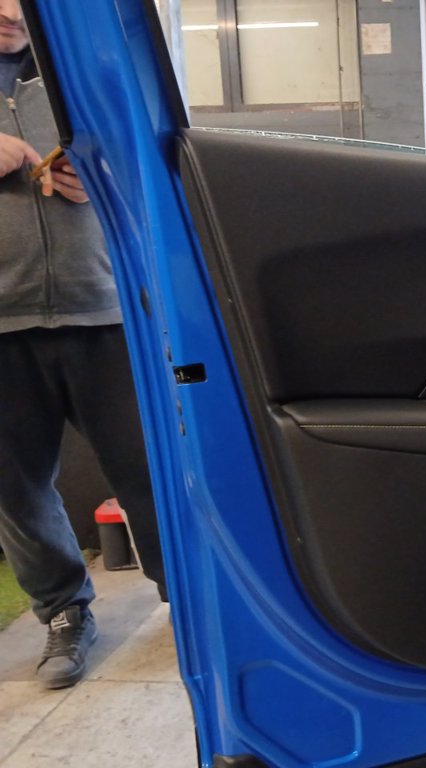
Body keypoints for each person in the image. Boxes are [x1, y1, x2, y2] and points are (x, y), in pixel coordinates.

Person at [0, 0, 166, 689]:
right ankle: (64, 610)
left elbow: (154, 168)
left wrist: (100, 182)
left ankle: (191, 598)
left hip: (106, 313)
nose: (10, 10)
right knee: (16, 491)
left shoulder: (82, 70)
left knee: (151, 471)